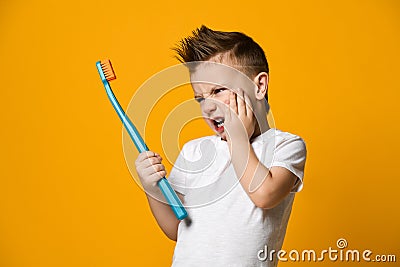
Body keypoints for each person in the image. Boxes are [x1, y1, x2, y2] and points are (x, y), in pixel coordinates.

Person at [135, 25, 307, 267]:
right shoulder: (194, 151)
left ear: (259, 86)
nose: (208, 107)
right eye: (200, 98)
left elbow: (264, 195)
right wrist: (151, 188)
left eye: (218, 90)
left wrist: (238, 138)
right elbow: (177, 228)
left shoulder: (285, 146)